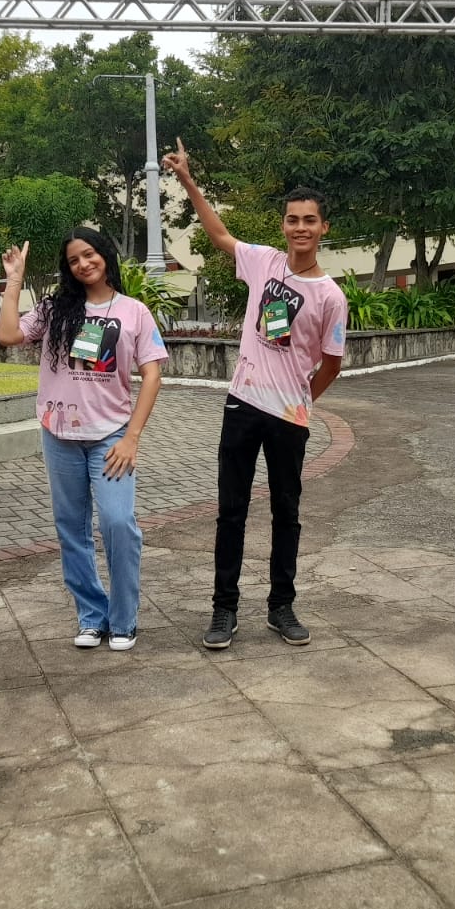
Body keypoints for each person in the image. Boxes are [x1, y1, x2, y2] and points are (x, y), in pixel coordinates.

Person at [163, 138, 348, 650]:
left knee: (286, 512)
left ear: (323, 228)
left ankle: (281, 607)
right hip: (242, 405)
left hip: (289, 415)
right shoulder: (264, 262)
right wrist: (188, 181)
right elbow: (219, 234)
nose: (300, 228)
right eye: (293, 219)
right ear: (284, 225)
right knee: (232, 511)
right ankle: (224, 610)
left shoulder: (331, 296)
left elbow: (332, 362)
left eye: (310, 220)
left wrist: (302, 399)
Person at [0, 228, 167, 650]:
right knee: (72, 529)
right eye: (74, 260)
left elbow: (152, 375)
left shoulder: (134, 312)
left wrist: (132, 437)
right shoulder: (56, 309)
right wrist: (14, 280)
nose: (83, 264)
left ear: (105, 254)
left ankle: (123, 618)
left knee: (117, 523)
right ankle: (92, 616)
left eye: (89, 254)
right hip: (59, 434)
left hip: (110, 436)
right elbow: (8, 335)